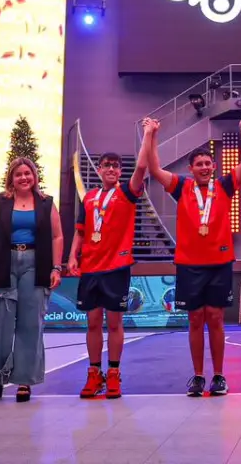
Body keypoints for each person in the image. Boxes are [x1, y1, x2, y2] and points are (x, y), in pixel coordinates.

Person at [145, 114, 241, 397]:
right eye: (199, 164)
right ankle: (197, 376)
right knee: (195, 319)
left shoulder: (224, 187)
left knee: (216, 318)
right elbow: (155, 168)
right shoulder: (181, 187)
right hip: (190, 265)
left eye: (208, 163)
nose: (204, 167)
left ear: (214, 166)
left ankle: (218, 375)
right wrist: (152, 134)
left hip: (219, 263)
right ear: (191, 168)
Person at [67, 134, 150, 399]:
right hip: (90, 268)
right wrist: (72, 257)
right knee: (92, 322)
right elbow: (80, 232)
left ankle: (113, 373)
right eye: (107, 165)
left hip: (116, 266)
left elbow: (142, 168)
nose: (112, 169)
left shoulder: (126, 193)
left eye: (116, 166)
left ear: (120, 171)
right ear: (99, 169)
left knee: (114, 323)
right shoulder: (88, 198)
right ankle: (94, 374)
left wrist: (148, 135)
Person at [0, 156, 65, 403]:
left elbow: (57, 236)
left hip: (36, 265)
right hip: (4, 264)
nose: (24, 177)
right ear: (11, 178)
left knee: (30, 325)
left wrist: (56, 268)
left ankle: (25, 382)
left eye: (28, 173)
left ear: (34, 176)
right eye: (19, 174)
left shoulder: (47, 203)